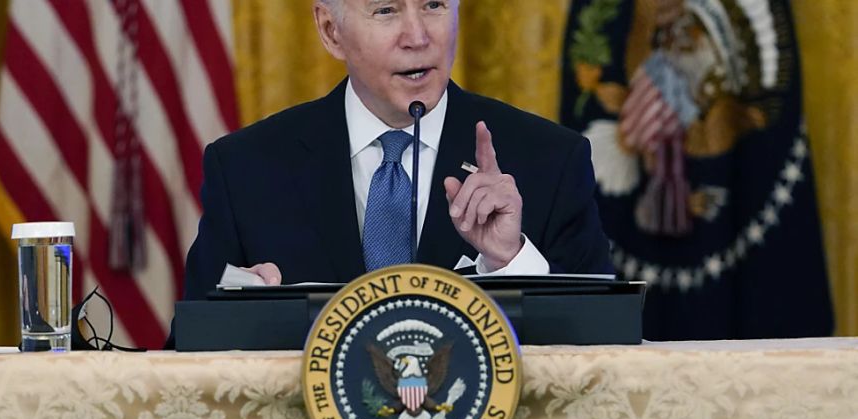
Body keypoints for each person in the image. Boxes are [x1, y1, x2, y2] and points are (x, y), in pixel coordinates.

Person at [167, 0, 612, 348]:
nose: (418, 37)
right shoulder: (246, 169)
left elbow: (609, 359)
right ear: (330, 30)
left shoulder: (550, 160)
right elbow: (186, 362)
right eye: (385, 11)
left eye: (434, 6)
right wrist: (244, 321)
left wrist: (511, 262)